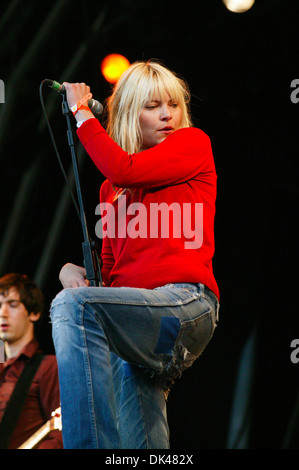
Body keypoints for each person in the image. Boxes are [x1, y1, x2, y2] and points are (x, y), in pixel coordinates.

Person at [50, 60, 220, 449]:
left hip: (186, 304)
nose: (167, 115)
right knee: (141, 440)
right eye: (152, 106)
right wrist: (70, 272)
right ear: (128, 113)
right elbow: (111, 276)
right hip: (140, 325)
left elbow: (123, 168)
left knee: (73, 308)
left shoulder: (193, 144)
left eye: (173, 105)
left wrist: (80, 114)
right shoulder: (111, 189)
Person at [0, 273, 63, 449]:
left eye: (12, 305)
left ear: (34, 313)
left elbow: (62, 433)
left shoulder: (48, 366)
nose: (2, 314)